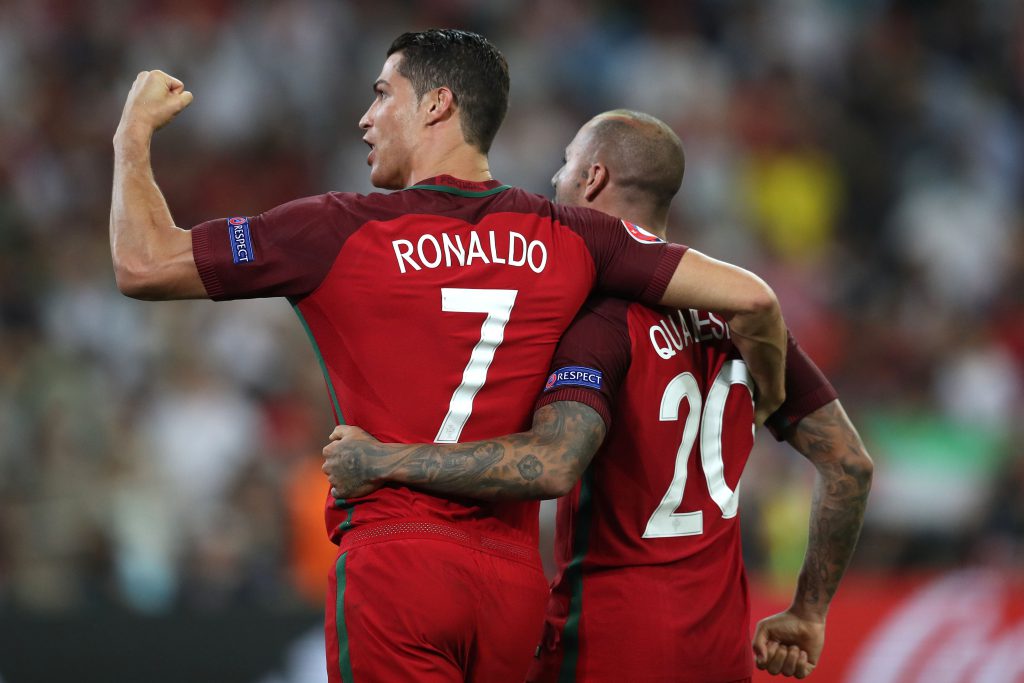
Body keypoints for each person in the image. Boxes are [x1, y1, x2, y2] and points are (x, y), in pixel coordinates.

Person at [110, 30, 789, 683]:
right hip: (513, 586)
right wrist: (769, 395)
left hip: (398, 557)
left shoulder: (334, 229)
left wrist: (131, 136)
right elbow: (753, 298)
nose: (365, 117)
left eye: (382, 93)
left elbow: (143, 263)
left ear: (437, 105)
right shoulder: (572, 235)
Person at [322, 110, 873, 681]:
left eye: (565, 164)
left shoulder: (599, 317)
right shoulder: (747, 327)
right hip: (718, 650)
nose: (555, 181)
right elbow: (849, 465)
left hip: (607, 641)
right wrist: (809, 612)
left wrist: (384, 461)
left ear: (593, 178)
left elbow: (555, 461)